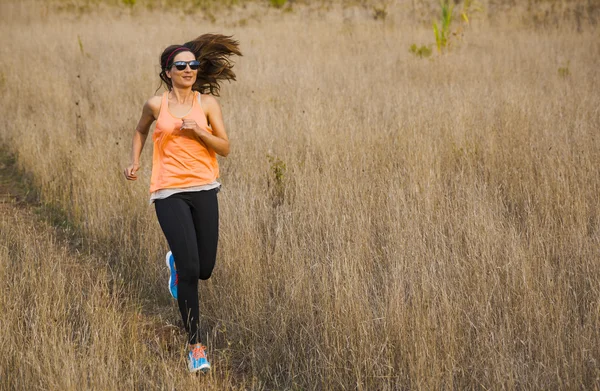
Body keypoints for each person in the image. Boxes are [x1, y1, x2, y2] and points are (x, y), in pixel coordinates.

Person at [124, 34, 241, 373]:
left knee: (204, 269)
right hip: (168, 191)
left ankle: (175, 262)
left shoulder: (206, 105)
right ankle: (196, 346)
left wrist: (199, 132)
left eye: (193, 64)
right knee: (192, 271)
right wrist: (134, 160)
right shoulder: (155, 105)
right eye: (181, 65)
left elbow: (225, 147)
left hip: (204, 187)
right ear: (168, 72)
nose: (189, 69)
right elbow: (140, 131)